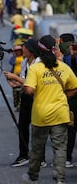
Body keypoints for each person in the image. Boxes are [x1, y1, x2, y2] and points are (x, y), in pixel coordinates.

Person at [22, 35, 77, 184]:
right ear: (55, 49)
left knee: (37, 149)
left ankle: (33, 176)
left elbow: (28, 90)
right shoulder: (64, 67)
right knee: (59, 148)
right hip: (60, 113)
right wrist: (64, 96)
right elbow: (74, 88)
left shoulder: (35, 68)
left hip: (41, 115)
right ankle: (60, 179)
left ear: (39, 50)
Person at [4, 39, 47, 167]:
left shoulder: (40, 63)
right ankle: (23, 155)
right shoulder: (24, 62)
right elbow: (24, 81)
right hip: (26, 97)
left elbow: (34, 83)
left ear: (31, 50)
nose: (22, 49)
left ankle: (41, 157)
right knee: (22, 126)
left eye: (25, 47)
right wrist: (14, 83)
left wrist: (16, 78)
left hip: (38, 98)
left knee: (37, 128)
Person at [59, 33, 77, 168]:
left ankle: (68, 158)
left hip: (71, 96)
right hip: (71, 96)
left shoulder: (68, 58)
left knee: (70, 128)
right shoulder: (66, 57)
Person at [9, 44, 24, 111]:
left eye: (19, 51)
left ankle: (20, 106)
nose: (18, 52)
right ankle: (16, 104)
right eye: (16, 51)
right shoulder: (14, 57)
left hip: (21, 76)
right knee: (15, 92)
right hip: (14, 76)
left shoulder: (24, 57)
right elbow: (11, 62)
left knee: (21, 92)